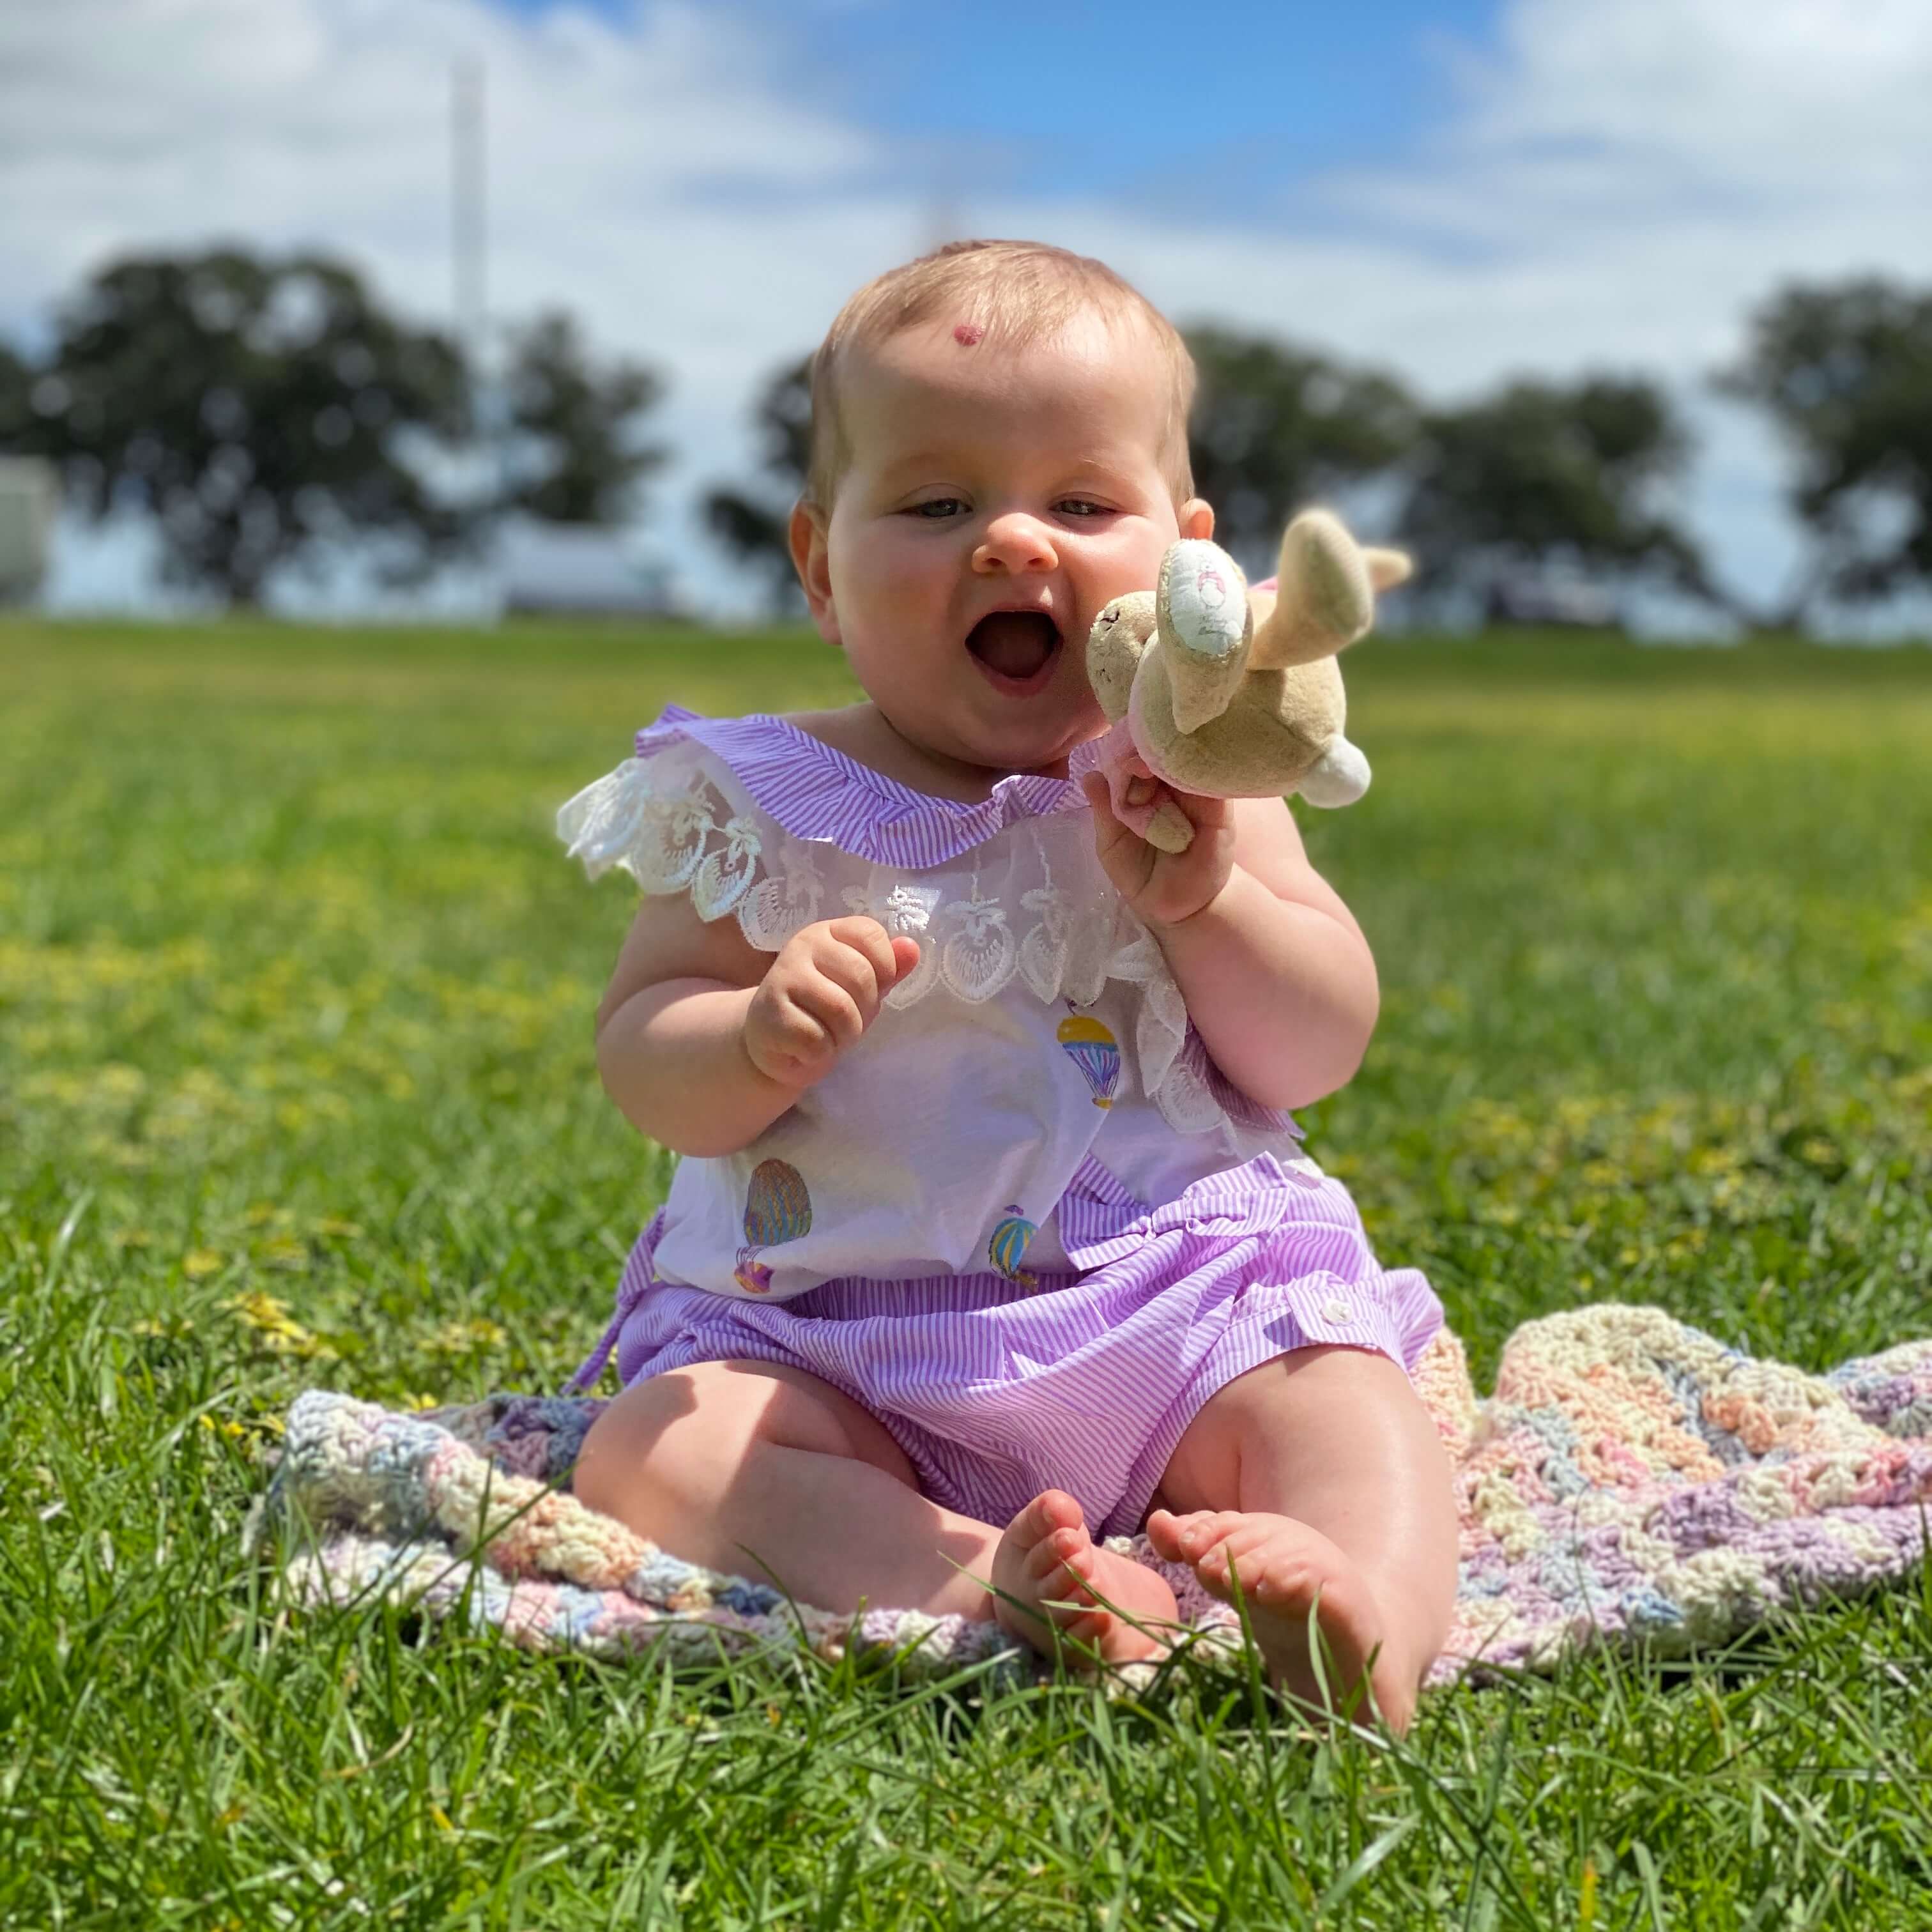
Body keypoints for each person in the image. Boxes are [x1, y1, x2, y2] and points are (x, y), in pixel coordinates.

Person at [558, 240, 1457, 1730]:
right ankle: (990, 1580)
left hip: (1176, 1303)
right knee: (653, 1450)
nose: (1016, 543)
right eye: (935, 503)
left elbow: (1313, 1048)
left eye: (1084, 504)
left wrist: (1212, 901)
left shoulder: (1198, 774)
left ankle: (1364, 1617)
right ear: (818, 566)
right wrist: (753, 1032)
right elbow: (644, 1048)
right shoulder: (760, 795)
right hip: (827, 1333)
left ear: (1189, 557)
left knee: (1347, 1400)